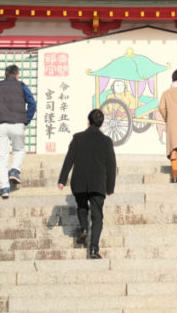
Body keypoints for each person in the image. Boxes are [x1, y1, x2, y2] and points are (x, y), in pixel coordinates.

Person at [57, 109, 117, 259]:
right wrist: (110, 187)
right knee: (97, 217)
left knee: (82, 206)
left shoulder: (78, 138)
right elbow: (111, 165)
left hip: (79, 182)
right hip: (98, 184)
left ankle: (83, 227)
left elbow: (69, 159)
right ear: (102, 123)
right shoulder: (106, 141)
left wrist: (62, 180)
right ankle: (93, 249)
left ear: (88, 121)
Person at [0, 64, 36, 199]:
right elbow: (32, 103)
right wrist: (26, 120)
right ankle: (14, 170)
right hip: (17, 123)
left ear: (5, 75)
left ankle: (4, 189)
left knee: (1, 158)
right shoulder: (21, 85)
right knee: (19, 150)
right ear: (17, 74)